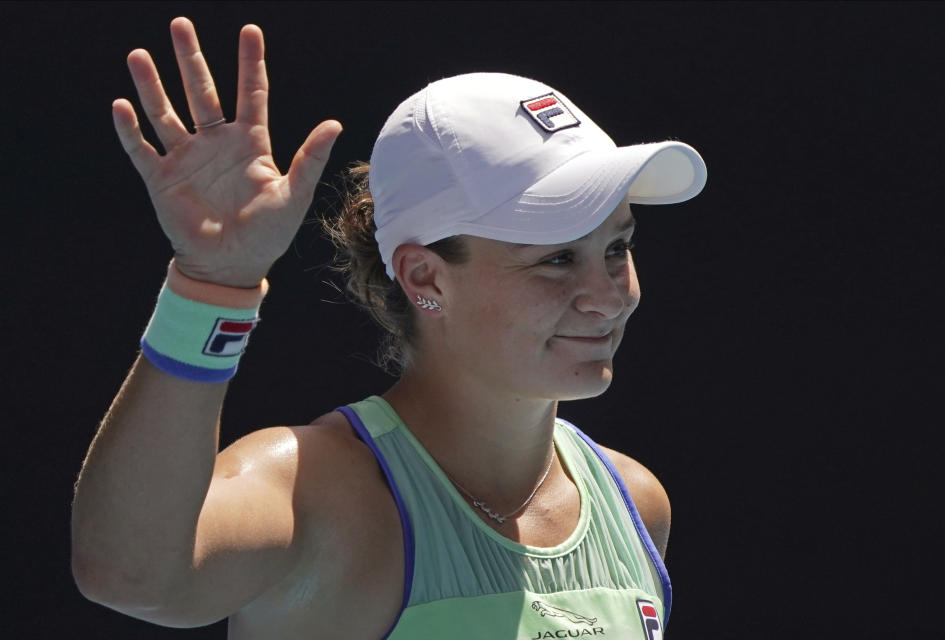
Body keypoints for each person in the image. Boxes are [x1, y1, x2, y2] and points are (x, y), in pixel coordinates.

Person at [70, 17, 706, 640]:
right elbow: (132, 578)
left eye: (617, 250)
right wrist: (211, 286)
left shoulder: (637, 503)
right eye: (557, 258)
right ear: (426, 278)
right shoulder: (314, 491)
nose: (608, 297)